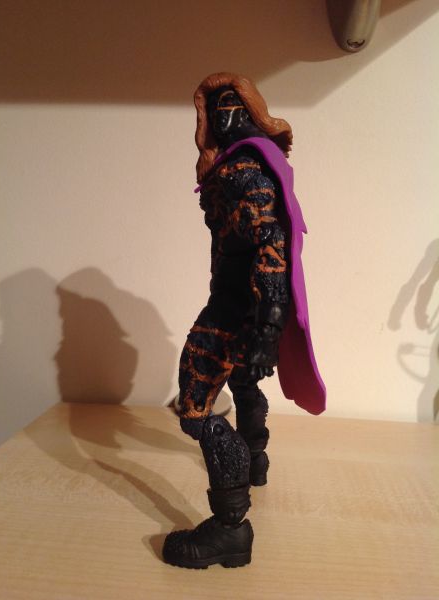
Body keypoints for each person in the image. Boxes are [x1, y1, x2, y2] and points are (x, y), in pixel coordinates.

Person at [162, 73, 326, 569]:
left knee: (195, 406)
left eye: (234, 103)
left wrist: (269, 323)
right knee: (241, 379)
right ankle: (254, 459)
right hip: (240, 301)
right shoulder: (240, 163)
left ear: (253, 110)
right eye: (216, 107)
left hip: (235, 306)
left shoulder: (243, 168)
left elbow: (270, 244)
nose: (224, 115)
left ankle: (230, 528)